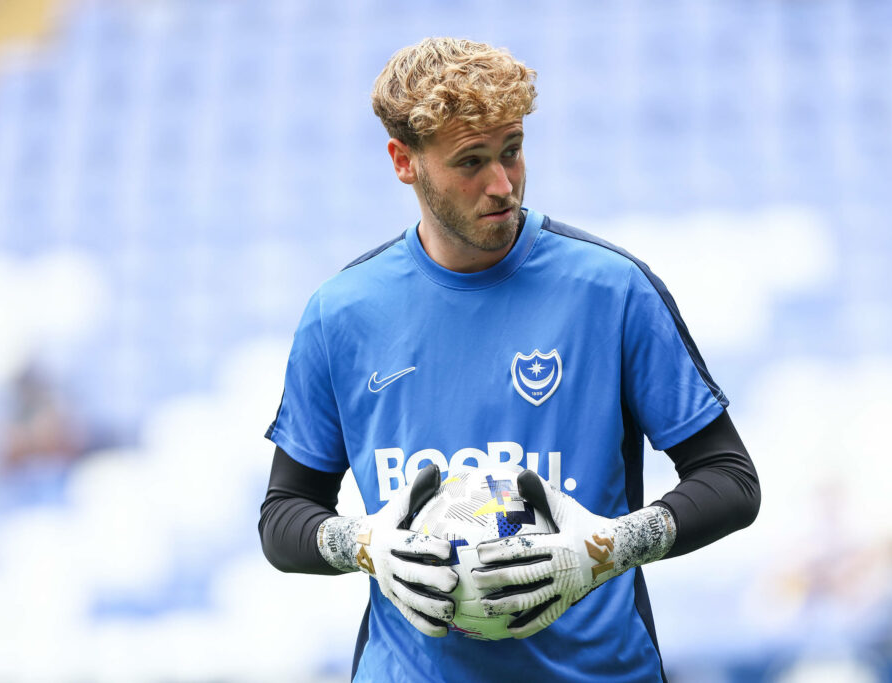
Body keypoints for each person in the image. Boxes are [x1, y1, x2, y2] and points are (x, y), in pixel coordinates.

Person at [259, 37, 760, 683]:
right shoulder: (342, 314)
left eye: (513, 152)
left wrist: (607, 548)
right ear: (403, 161)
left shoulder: (610, 289)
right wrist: (364, 545)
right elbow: (283, 516)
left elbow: (730, 479)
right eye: (470, 161)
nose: (502, 185)